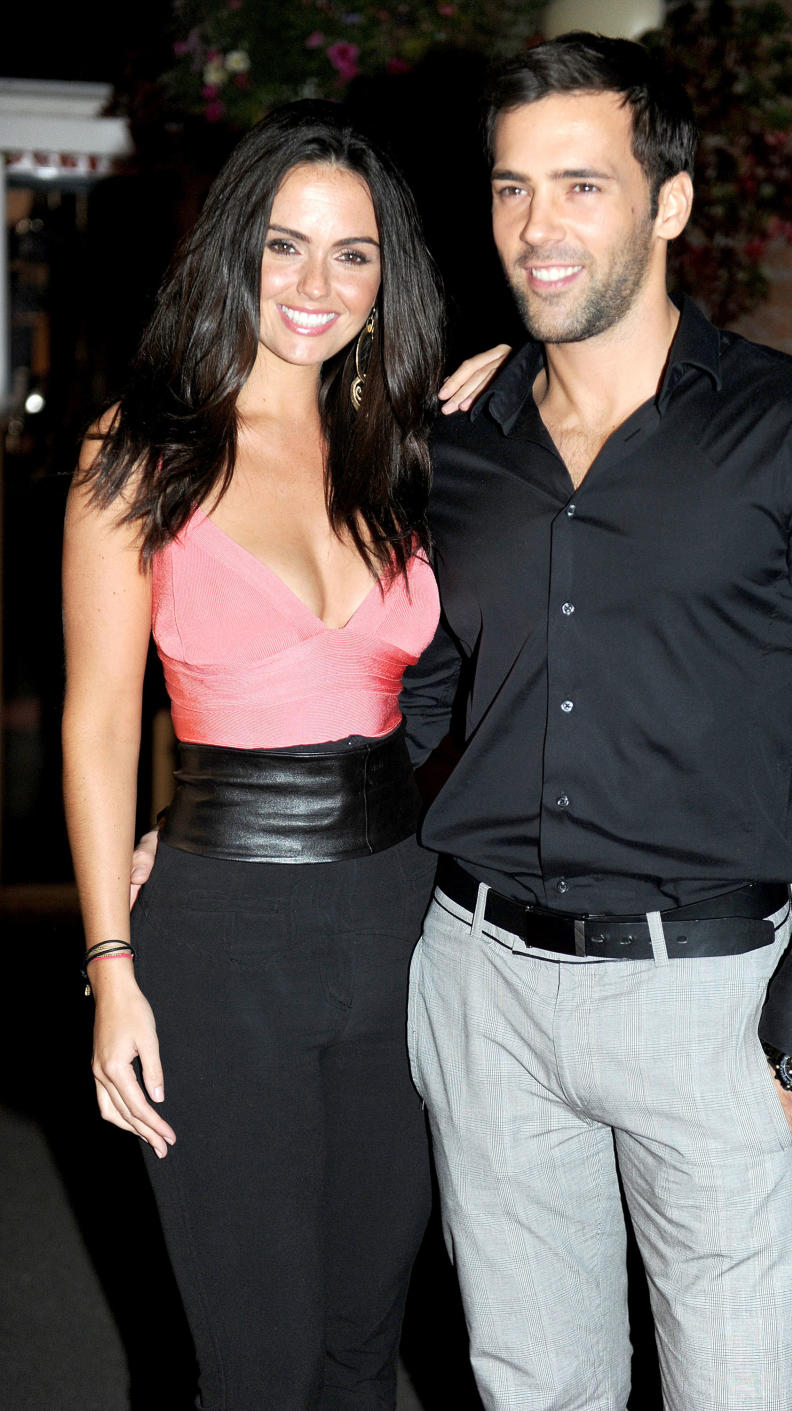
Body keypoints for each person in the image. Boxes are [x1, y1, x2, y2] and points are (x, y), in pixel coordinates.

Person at [395, 32, 792, 1411]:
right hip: (482, 988)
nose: (539, 228)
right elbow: (413, 698)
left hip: (708, 1000)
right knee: (534, 1387)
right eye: (512, 189)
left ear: (672, 202)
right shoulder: (455, 441)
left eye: (583, 186)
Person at [62, 99, 499, 1411]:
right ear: (231, 252)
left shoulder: (407, 447)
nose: (315, 284)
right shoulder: (139, 454)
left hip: (398, 922)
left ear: (387, 277)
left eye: (351, 253)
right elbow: (92, 725)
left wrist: (515, 378)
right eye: (284, 245)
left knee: (367, 1343)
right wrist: (109, 967)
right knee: (253, 1362)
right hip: (220, 940)